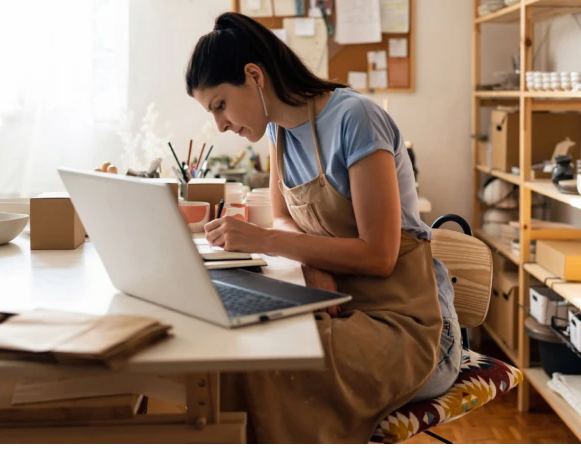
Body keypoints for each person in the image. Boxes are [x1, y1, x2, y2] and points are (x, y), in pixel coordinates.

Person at [184, 11, 461, 444]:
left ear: (254, 75)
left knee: (273, 364)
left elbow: (380, 255)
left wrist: (267, 241)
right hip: (345, 307)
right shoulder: (278, 132)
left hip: (411, 328)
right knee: (240, 351)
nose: (219, 125)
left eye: (220, 104)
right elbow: (284, 216)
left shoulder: (356, 119)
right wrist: (313, 266)